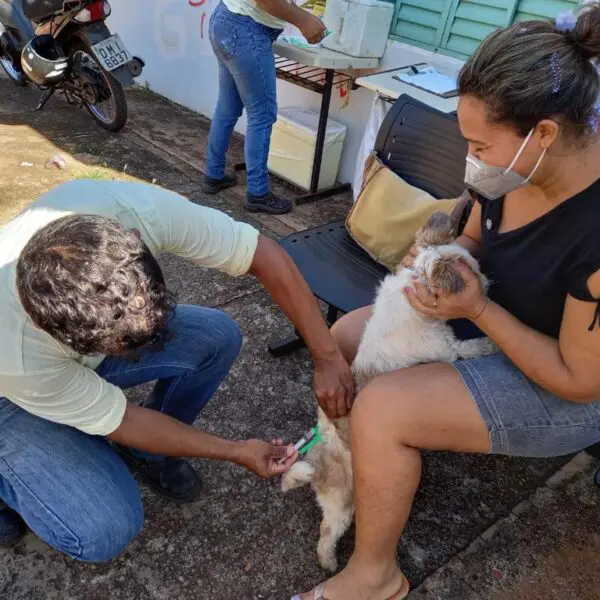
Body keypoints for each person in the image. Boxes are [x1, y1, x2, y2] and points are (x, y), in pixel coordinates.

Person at [293, 4, 600, 599]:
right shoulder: (516, 170)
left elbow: (578, 379)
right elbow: (475, 237)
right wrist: (442, 261)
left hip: (567, 386)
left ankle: (374, 577)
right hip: (492, 321)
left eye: (481, 144)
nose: (473, 160)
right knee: (345, 341)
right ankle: (359, 464)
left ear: (543, 134)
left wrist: (477, 310)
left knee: (382, 407)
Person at [0, 179, 354, 559]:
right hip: (13, 392)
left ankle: (146, 454)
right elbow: (125, 420)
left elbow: (262, 254)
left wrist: (328, 356)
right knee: (102, 529)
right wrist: (236, 451)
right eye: (123, 345)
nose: (142, 350)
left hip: (66, 358)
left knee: (216, 335)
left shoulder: (126, 208)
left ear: (134, 239)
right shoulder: (17, 353)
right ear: (44, 326)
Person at [202, 0, 327, 214]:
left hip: (227, 20)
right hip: (245, 29)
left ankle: (214, 174)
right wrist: (303, 20)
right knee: (262, 114)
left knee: (227, 107)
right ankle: (257, 193)